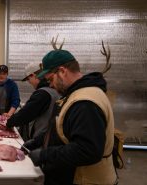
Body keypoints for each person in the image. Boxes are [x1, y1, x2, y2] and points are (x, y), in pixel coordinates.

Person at [24, 50, 117, 184]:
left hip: (84, 180)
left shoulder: (85, 102)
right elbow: (62, 128)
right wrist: (38, 141)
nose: (50, 84)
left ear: (62, 71)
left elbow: (87, 150)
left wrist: (44, 155)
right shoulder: (74, 94)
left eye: (50, 79)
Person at [6, 63, 60, 141]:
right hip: (50, 138)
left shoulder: (43, 93)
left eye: (28, 79)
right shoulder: (54, 89)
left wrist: (8, 122)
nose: (29, 82)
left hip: (42, 141)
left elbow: (25, 114)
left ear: (33, 75)